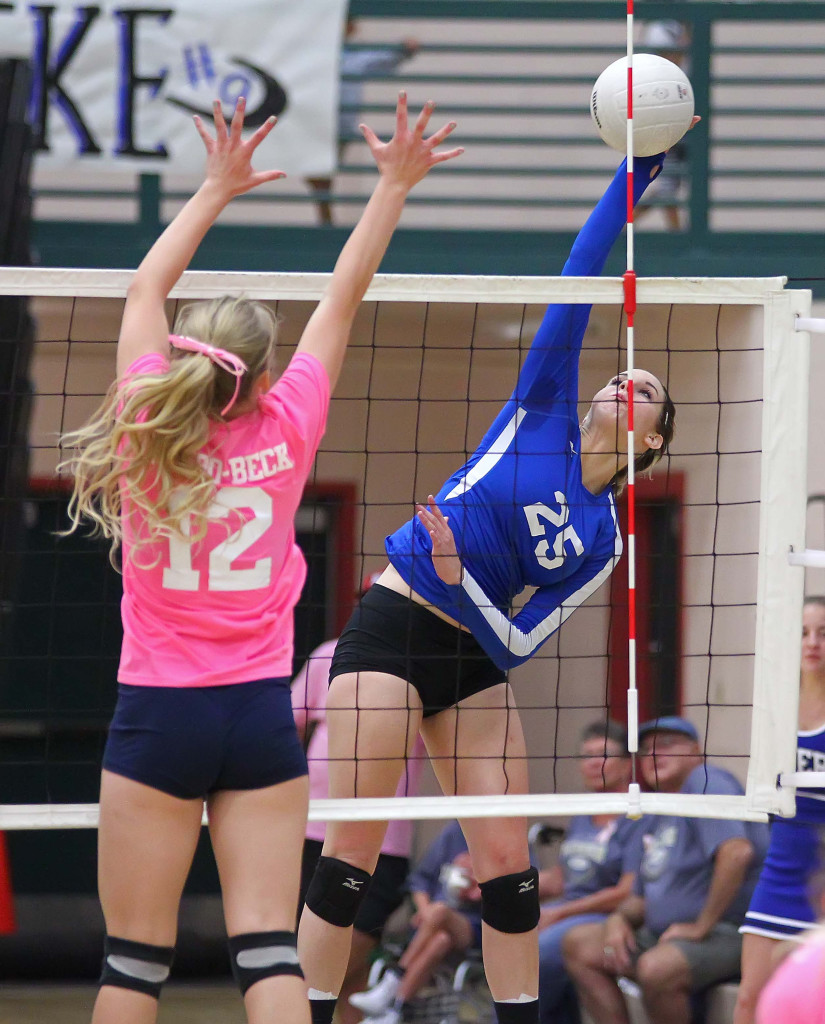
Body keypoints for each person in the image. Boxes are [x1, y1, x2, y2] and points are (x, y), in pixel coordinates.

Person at [58, 92, 461, 1024]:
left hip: (158, 715)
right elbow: (344, 292)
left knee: (132, 966)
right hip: (256, 715)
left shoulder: (144, 428)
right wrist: (394, 183)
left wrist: (214, 187)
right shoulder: (289, 426)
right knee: (269, 952)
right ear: (265, 379)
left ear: (188, 364)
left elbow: (144, 293)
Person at [297, 147, 677, 1024]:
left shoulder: (600, 540)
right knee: (351, 853)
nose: (629, 380)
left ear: (650, 441)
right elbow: (583, 268)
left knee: (507, 866)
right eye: (625, 373)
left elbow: (514, 641)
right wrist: (635, 175)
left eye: (648, 389)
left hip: (474, 657)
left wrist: (463, 579)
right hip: (394, 624)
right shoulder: (543, 401)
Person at [562, 716, 769, 1024]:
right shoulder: (661, 808)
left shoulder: (705, 780)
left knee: (656, 968)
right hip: (664, 934)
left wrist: (700, 926)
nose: (655, 754)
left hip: (729, 930)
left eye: (667, 744)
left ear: (696, 751)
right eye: (646, 749)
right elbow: (640, 897)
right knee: (580, 944)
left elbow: (737, 852)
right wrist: (619, 919)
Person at [291, 585, 427, 1024]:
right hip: (316, 829)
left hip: (385, 841)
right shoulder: (330, 654)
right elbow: (288, 724)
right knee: (338, 978)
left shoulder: (430, 658)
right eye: (369, 596)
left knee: (334, 965)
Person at [733, 596, 825, 1024]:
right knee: (750, 1001)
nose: (812, 643)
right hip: (781, 871)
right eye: (804, 632)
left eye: (823, 633)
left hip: (820, 875)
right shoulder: (777, 708)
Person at [537, 721, 644, 1024]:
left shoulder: (638, 815)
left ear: (627, 764)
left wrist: (559, 914)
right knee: (510, 933)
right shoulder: (585, 812)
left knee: (539, 950)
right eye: (587, 755)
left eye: (604, 755)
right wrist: (512, 888)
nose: (594, 763)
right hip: (568, 909)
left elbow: (626, 892)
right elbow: (563, 877)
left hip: (605, 915)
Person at [348, 820, 484, 1024]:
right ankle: (394, 1010)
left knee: (441, 912)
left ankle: (394, 977)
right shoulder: (453, 833)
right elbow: (420, 880)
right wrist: (424, 909)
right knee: (441, 939)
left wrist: (480, 887)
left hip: (473, 925)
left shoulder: (504, 833)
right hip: (433, 927)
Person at [307, 17, 419, 225]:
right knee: (318, 174)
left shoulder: (353, 58)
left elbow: (382, 60)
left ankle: (325, 215)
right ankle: (324, 215)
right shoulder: (314, 56)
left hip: (340, 127)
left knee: (324, 174)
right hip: (315, 125)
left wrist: (404, 51)